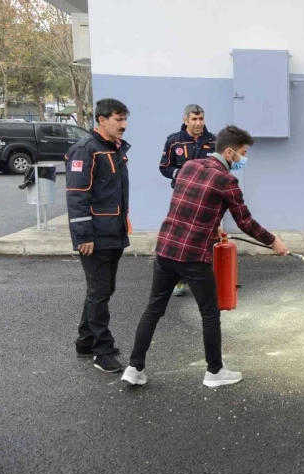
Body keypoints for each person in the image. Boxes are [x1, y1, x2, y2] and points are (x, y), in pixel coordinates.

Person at [122, 125, 288, 388]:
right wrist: (273, 241)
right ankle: (214, 372)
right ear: (230, 152)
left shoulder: (189, 166)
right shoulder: (227, 181)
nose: (244, 159)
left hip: (166, 248)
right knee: (209, 313)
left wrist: (213, 224)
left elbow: (188, 202)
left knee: (154, 308)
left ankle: (134, 368)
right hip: (194, 257)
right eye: (243, 153)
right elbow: (245, 222)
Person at [66, 98, 131, 373]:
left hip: (113, 232)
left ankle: (85, 341)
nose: (123, 125)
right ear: (101, 120)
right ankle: (101, 351)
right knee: (99, 291)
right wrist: (84, 237)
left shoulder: (114, 149)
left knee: (102, 290)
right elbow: (77, 197)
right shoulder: (85, 150)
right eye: (118, 120)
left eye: (125, 119)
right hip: (95, 236)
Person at [159, 104, 217, 297]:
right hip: (183, 201)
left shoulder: (214, 141)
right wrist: (180, 173)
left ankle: (207, 281)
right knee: (181, 240)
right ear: (185, 120)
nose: (199, 123)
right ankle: (179, 281)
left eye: (201, 119)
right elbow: (164, 167)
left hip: (208, 201)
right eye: (194, 119)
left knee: (207, 239)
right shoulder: (173, 141)